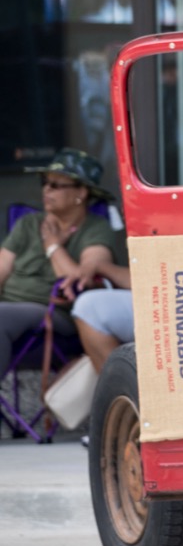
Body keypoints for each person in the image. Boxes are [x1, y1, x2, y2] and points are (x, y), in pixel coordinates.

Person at [0, 149, 118, 381]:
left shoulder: (96, 229)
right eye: (45, 183)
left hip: (56, 315)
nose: (46, 190)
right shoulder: (28, 224)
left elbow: (79, 281)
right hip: (10, 310)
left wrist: (53, 246)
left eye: (56, 185)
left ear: (81, 193)